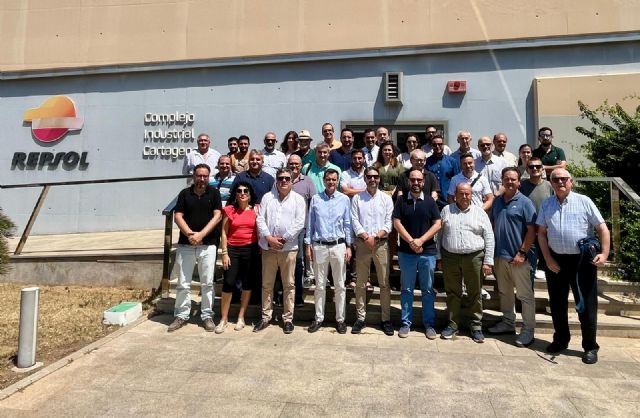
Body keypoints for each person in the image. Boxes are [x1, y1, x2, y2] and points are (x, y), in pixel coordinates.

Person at [536, 168, 610, 364]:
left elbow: (602, 228)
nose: (560, 182)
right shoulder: (547, 204)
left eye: (564, 179)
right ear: (551, 183)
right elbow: (541, 233)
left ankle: (590, 346)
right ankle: (561, 340)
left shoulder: (584, 201)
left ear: (571, 182)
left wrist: (604, 253)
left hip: (582, 261)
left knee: (587, 305)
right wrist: (547, 259)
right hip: (556, 261)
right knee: (557, 304)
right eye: (556, 179)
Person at [168, 164, 222, 333]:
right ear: (194, 176)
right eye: (199, 175)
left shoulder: (214, 193)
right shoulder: (185, 194)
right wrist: (190, 235)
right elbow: (178, 216)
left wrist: (201, 235)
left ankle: (207, 315)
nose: (202, 179)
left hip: (208, 244)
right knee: (183, 283)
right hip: (186, 244)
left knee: (207, 283)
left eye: (205, 176)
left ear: (209, 177)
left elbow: (217, 216)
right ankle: (182, 315)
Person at [439, 183, 494, 342]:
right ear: (455, 195)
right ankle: (453, 324)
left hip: (474, 257)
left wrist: (488, 261)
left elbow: (489, 236)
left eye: (467, 194)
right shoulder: (446, 210)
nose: (464, 197)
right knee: (452, 292)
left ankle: (476, 326)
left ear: (472, 195)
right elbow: (439, 235)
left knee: (475, 293)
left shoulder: (480, 212)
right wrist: (438, 257)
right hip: (450, 257)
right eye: (461, 193)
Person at [488, 167, 537, 347]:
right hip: (500, 256)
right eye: (506, 179)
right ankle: (508, 322)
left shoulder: (525, 202)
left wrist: (522, 252)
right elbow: (494, 225)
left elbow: (532, 230)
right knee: (505, 292)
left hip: (519, 258)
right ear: (502, 181)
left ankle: (528, 330)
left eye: (513, 179)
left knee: (525, 295)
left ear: (519, 182)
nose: (509, 182)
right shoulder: (497, 202)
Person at [254, 168, 307, 334]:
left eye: (287, 178)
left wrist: (284, 239)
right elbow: (260, 219)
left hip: (288, 248)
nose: (284, 181)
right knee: (267, 284)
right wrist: (269, 238)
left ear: (292, 181)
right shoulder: (267, 197)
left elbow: (300, 222)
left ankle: (288, 319)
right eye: (281, 178)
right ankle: (266, 317)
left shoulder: (298, 199)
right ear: (276, 181)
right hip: (268, 247)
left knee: (289, 285)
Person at [392, 169, 442, 339]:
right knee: (406, 289)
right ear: (408, 182)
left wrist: (421, 240)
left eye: (418, 180)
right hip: (406, 252)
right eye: (412, 180)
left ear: (423, 182)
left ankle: (429, 324)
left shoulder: (430, 201)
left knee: (427, 290)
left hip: (427, 252)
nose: (415, 183)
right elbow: (396, 222)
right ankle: (406, 323)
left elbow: (437, 223)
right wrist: (411, 241)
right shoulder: (401, 201)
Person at [305, 169, 352, 334]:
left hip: (338, 245)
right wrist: (308, 245)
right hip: (320, 246)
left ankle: (340, 319)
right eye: (328, 179)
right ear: (324, 181)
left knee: (340, 285)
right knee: (319, 285)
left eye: (334, 179)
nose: (331, 182)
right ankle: (319, 318)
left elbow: (347, 224)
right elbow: (310, 223)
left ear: (337, 181)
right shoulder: (316, 199)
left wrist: (349, 246)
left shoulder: (344, 199)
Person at [351, 167, 395, 336]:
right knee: (361, 283)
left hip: (381, 244)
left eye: (375, 177)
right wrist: (365, 236)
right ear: (365, 178)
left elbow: (388, 223)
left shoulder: (386, 199)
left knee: (384, 283)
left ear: (379, 179)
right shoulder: (357, 198)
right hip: (363, 244)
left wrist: (376, 237)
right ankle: (360, 318)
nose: (372, 179)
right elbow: (354, 220)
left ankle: (386, 319)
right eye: (369, 176)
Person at [216, 181, 260, 333]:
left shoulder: (256, 210)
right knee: (229, 282)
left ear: (250, 194)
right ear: (235, 194)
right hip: (232, 249)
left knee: (247, 283)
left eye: (245, 191)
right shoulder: (229, 210)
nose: (242, 193)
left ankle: (241, 317)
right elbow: (224, 232)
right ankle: (223, 319)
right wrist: (224, 252)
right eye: (239, 191)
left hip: (251, 249)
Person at [288, 154, 318, 302]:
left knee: (299, 261)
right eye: (291, 163)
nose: (294, 166)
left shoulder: (308, 181)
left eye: (297, 164)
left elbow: (314, 205)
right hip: (283, 229)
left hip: (301, 229)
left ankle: (298, 294)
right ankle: (282, 293)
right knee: (284, 261)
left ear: (301, 166)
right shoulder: (281, 180)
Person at [519, 157, 554, 278]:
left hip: (546, 231)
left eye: (538, 166)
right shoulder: (521, 186)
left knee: (549, 265)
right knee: (530, 265)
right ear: (527, 169)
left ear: (542, 169)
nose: (535, 169)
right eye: (531, 166)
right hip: (528, 231)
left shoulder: (550, 186)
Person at [426, 134, 460, 209]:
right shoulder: (427, 162)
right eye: (434, 145)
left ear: (443, 145)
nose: (437, 146)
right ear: (432, 146)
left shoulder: (452, 161)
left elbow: (458, 181)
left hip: (448, 199)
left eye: (440, 144)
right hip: (432, 200)